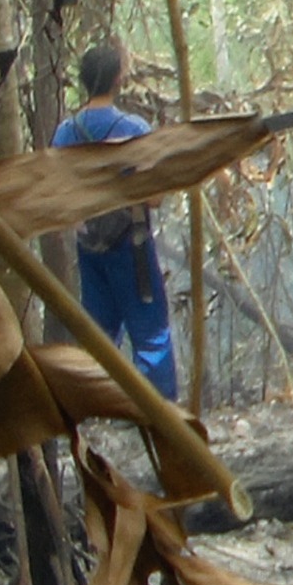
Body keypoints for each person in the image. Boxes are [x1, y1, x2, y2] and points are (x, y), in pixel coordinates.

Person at [50, 44, 178, 400]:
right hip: (132, 247)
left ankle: (97, 404)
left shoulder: (65, 133)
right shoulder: (134, 128)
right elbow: (154, 197)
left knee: (98, 333)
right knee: (150, 332)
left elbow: (59, 196)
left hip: (89, 246)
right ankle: (157, 409)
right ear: (118, 79)